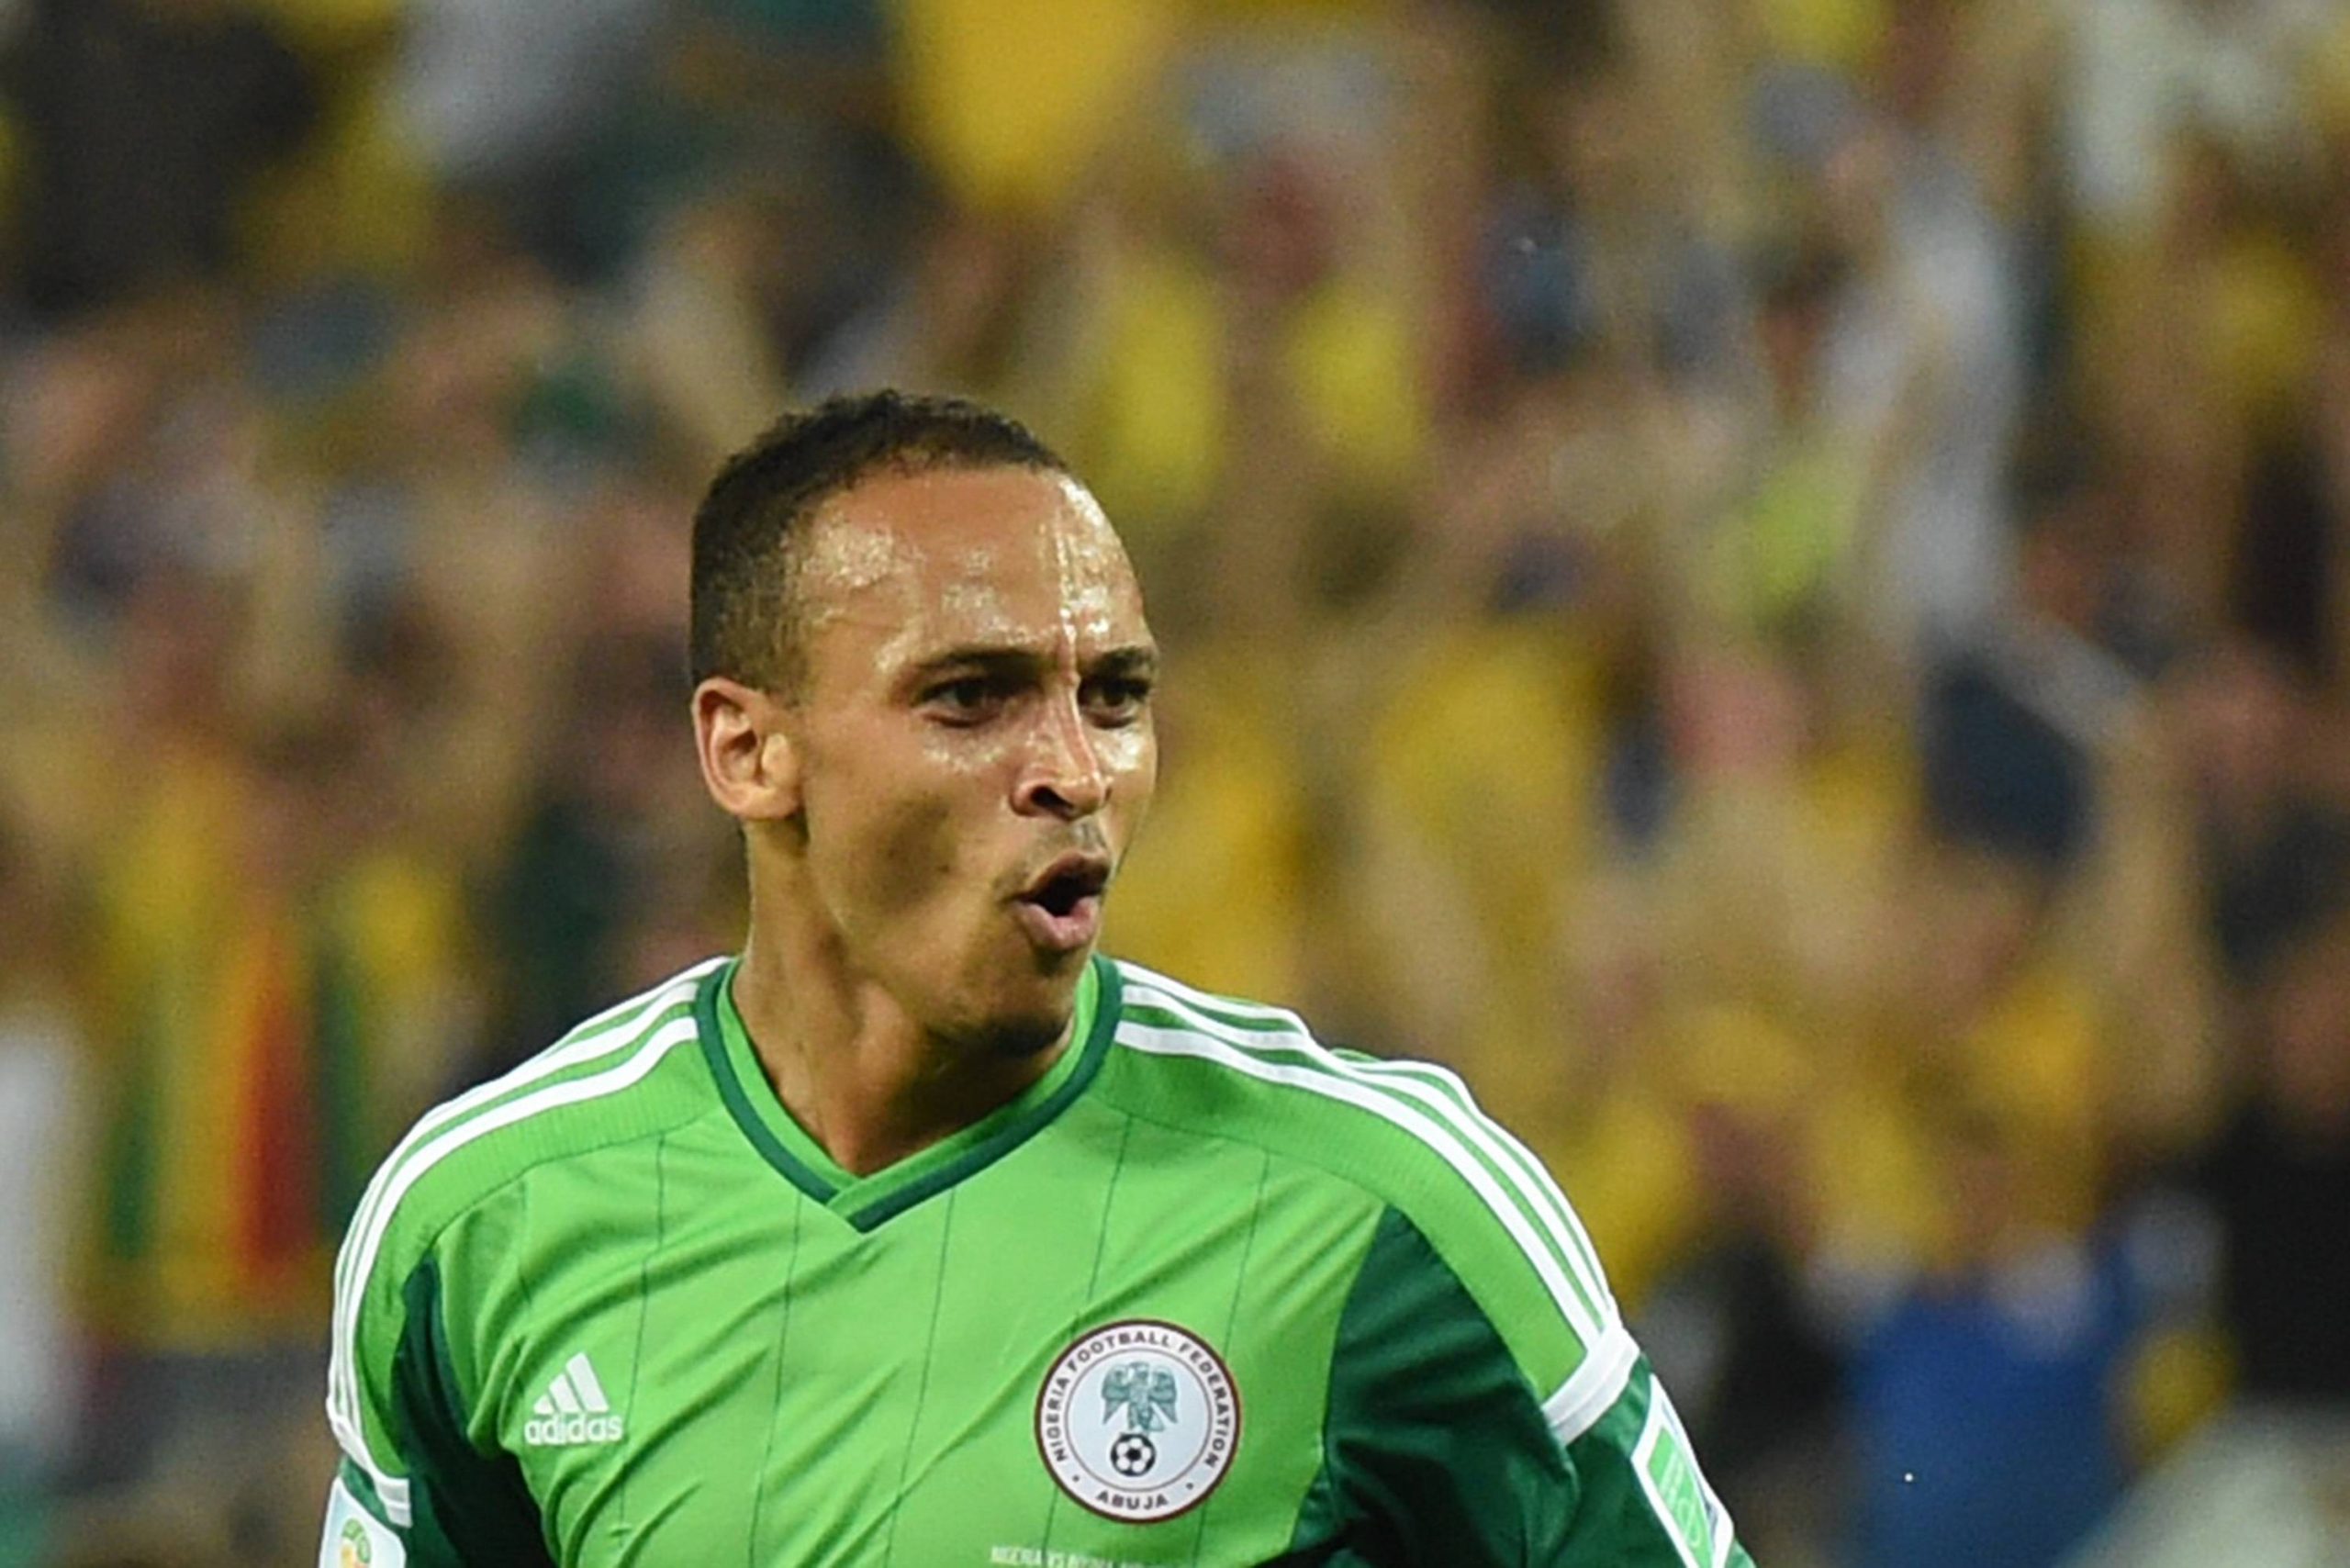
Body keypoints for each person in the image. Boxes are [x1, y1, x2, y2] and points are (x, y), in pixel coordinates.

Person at [319, 390, 1753, 1565]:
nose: (1075, 769)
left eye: (1116, 696)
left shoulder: (1381, 1205)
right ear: (749, 752)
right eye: (971, 696)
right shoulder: (484, 1226)